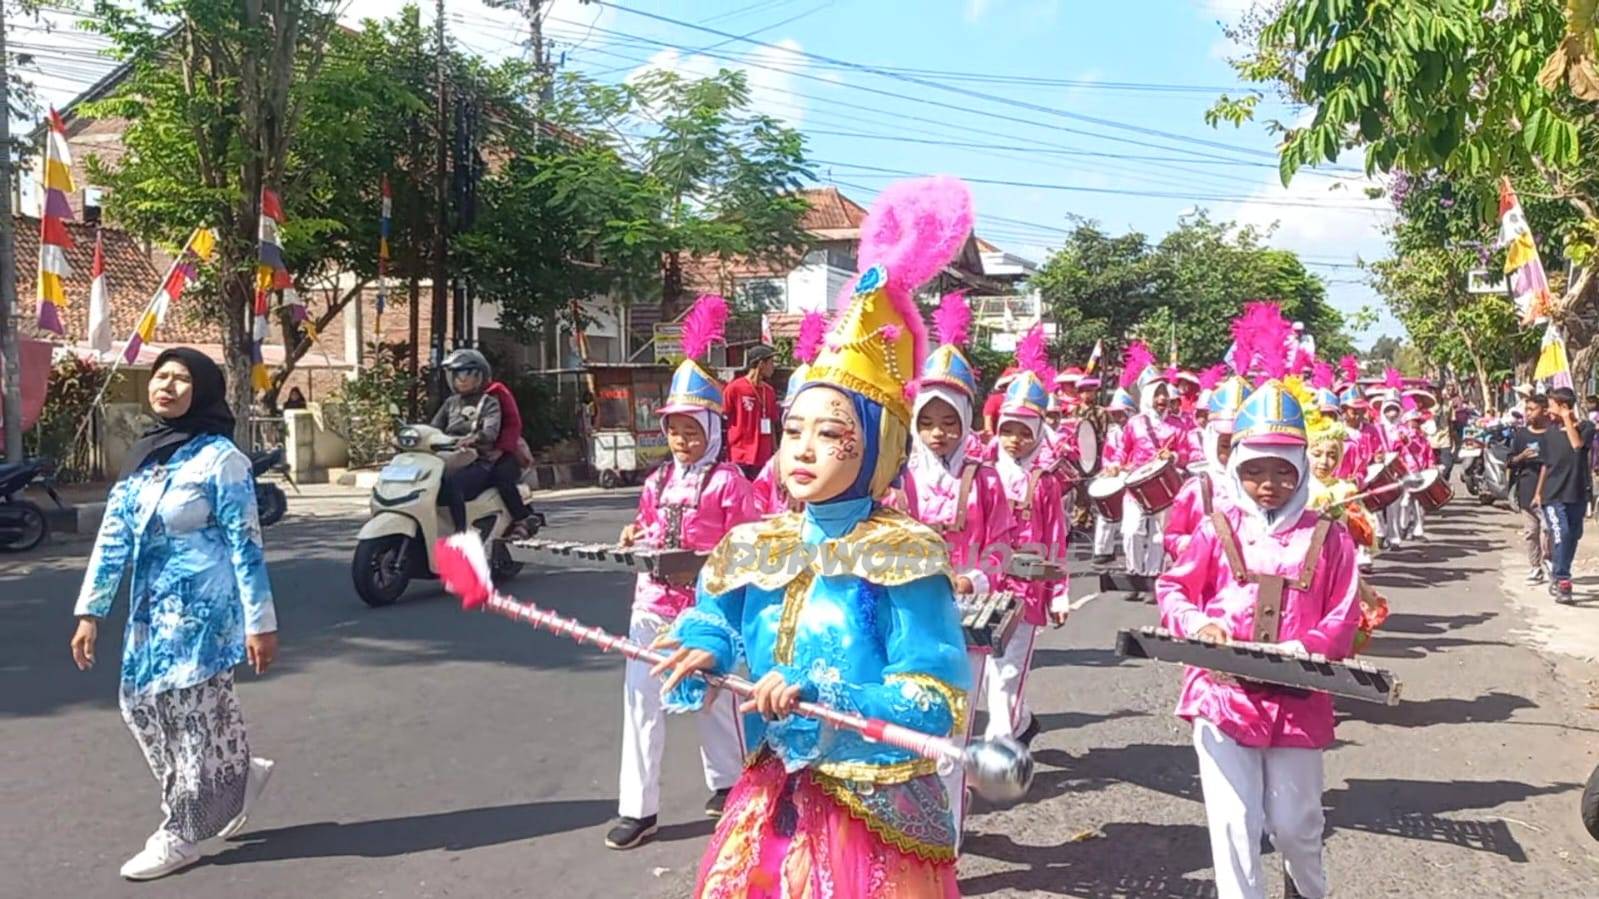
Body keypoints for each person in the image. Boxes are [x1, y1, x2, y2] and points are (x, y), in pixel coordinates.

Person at [654, 175, 972, 897]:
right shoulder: (754, 543)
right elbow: (716, 616)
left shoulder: (905, 554)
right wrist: (706, 645)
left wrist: (828, 695)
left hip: (874, 808)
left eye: (830, 433)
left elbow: (935, 697)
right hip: (775, 792)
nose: (802, 448)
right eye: (793, 429)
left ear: (878, 445)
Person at [71, 348, 279, 881]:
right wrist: (91, 611)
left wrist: (260, 623)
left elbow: (246, 544)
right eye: (160, 375)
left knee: (191, 719)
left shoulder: (221, 460)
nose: (166, 385)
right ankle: (236, 774)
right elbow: (113, 538)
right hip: (150, 615)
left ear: (203, 389)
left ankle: (180, 832)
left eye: (181, 378)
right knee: (140, 707)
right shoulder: (145, 456)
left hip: (205, 616)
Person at [1156, 379, 1362, 899]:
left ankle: (1308, 889)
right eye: (1254, 471)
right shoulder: (1215, 528)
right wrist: (1197, 624)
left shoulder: (1330, 536)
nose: (1268, 484)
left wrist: (1306, 648)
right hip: (1221, 693)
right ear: (1236, 468)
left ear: (1301, 470)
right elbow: (1174, 587)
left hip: (1298, 697)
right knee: (1234, 823)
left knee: (1296, 827)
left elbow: (1344, 614)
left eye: (1282, 470)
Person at [607, 300, 755, 850]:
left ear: (713, 430)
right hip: (650, 606)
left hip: (705, 611)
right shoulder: (656, 482)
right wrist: (634, 535)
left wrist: (709, 568)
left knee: (716, 702)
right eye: (675, 432)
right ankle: (637, 808)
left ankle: (729, 784)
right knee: (641, 703)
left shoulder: (730, 483)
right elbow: (648, 526)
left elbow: (747, 547)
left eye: (693, 432)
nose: (683, 442)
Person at [990, 371, 1071, 745]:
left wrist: (1059, 593)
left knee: (1009, 671)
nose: (1014, 440)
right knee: (990, 670)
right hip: (986, 584)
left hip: (1028, 588)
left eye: (1024, 432)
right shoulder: (983, 473)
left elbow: (1055, 537)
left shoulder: (1046, 482)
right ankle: (1021, 723)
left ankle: (999, 750)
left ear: (1038, 433)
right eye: (1007, 430)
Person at [431, 349, 534, 535]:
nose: (461, 379)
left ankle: (462, 532)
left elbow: (504, 427)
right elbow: (434, 428)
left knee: (481, 481)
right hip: (456, 454)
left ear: (481, 375)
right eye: (456, 374)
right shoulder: (451, 403)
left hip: (489, 454)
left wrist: (484, 442)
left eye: (468, 374)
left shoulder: (492, 399)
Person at [1102, 375, 1191, 587]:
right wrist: (1114, 465)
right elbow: (1122, 450)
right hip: (1135, 486)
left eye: (1164, 393)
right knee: (1132, 531)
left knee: (1159, 536)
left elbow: (1187, 454)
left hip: (1165, 487)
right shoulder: (1135, 423)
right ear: (1148, 396)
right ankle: (1134, 573)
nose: (1162, 399)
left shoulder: (1178, 425)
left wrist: (1173, 456)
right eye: (1157, 394)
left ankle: (1153, 575)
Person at [1164, 376, 1247, 561]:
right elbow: (1172, 535)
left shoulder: (1267, 488)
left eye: (1241, 445)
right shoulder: (1197, 489)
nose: (1234, 454)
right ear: (1213, 443)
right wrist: (1189, 544)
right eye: (1225, 446)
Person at [1535, 387, 1595, 604]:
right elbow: (1546, 465)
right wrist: (1538, 492)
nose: (1548, 411)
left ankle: (1559, 570)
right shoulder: (1549, 434)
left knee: (1573, 536)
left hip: (1577, 493)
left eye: (1551, 406)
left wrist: (1567, 418)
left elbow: (1577, 445)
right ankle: (1563, 579)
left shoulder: (1586, 428)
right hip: (1553, 495)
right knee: (1562, 533)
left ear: (1563, 407)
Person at [1510, 393, 1551, 584]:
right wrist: (1521, 457)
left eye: (1532, 409)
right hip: (1527, 489)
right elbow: (1510, 462)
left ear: (1544, 411)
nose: (1528, 413)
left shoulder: (1553, 435)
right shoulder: (1521, 435)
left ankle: (1549, 561)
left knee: (1548, 530)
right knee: (1531, 531)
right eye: (1527, 409)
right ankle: (1535, 567)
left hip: (1550, 490)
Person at [723, 344, 780, 479]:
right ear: (761, 364)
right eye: (770, 363)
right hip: (740, 453)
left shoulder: (769, 391)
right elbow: (724, 415)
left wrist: (775, 450)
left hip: (763, 455)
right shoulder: (735, 388)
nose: (773, 367)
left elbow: (772, 423)